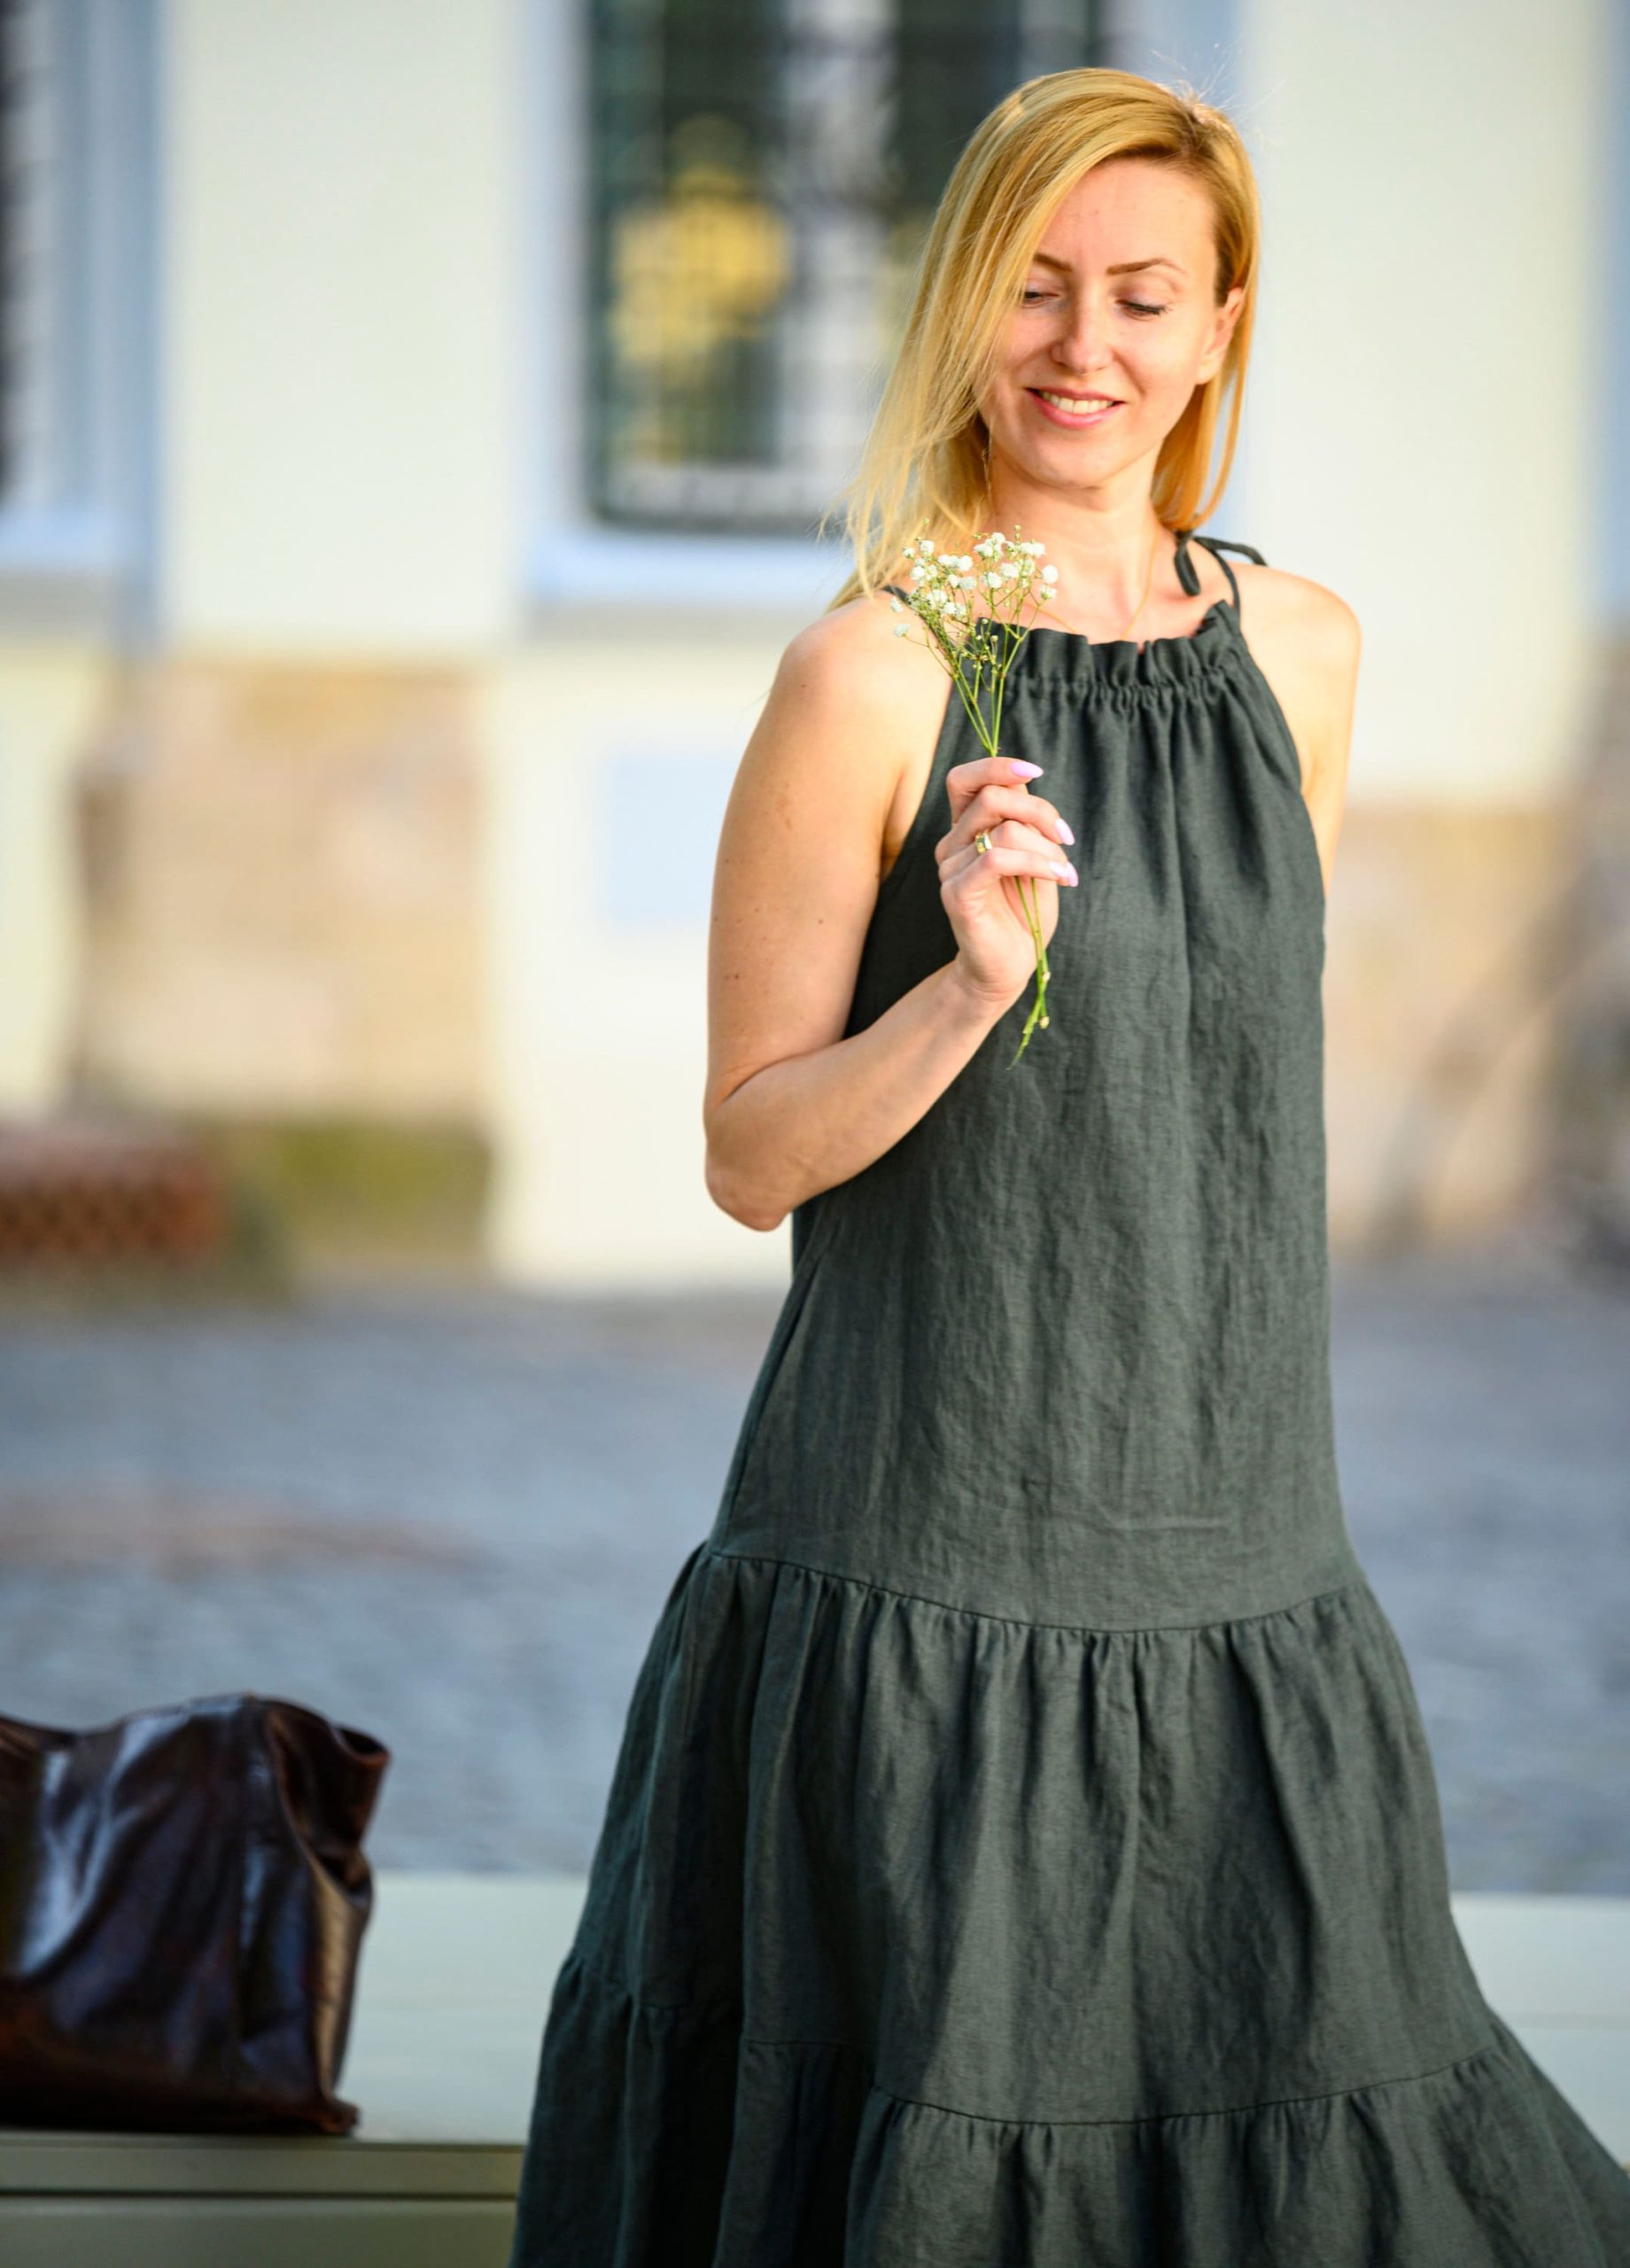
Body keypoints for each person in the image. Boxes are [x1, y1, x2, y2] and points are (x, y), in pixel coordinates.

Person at [506, 67, 1630, 2264]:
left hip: (1235, 1540)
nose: (1080, 344)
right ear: (958, 305)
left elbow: (1212, 1090)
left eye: (1138, 292)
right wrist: (962, 987)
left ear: (1218, 327)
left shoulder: (1299, 656)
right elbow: (747, 1155)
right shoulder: (868, 673)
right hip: (923, 1540)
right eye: (1030, 285)